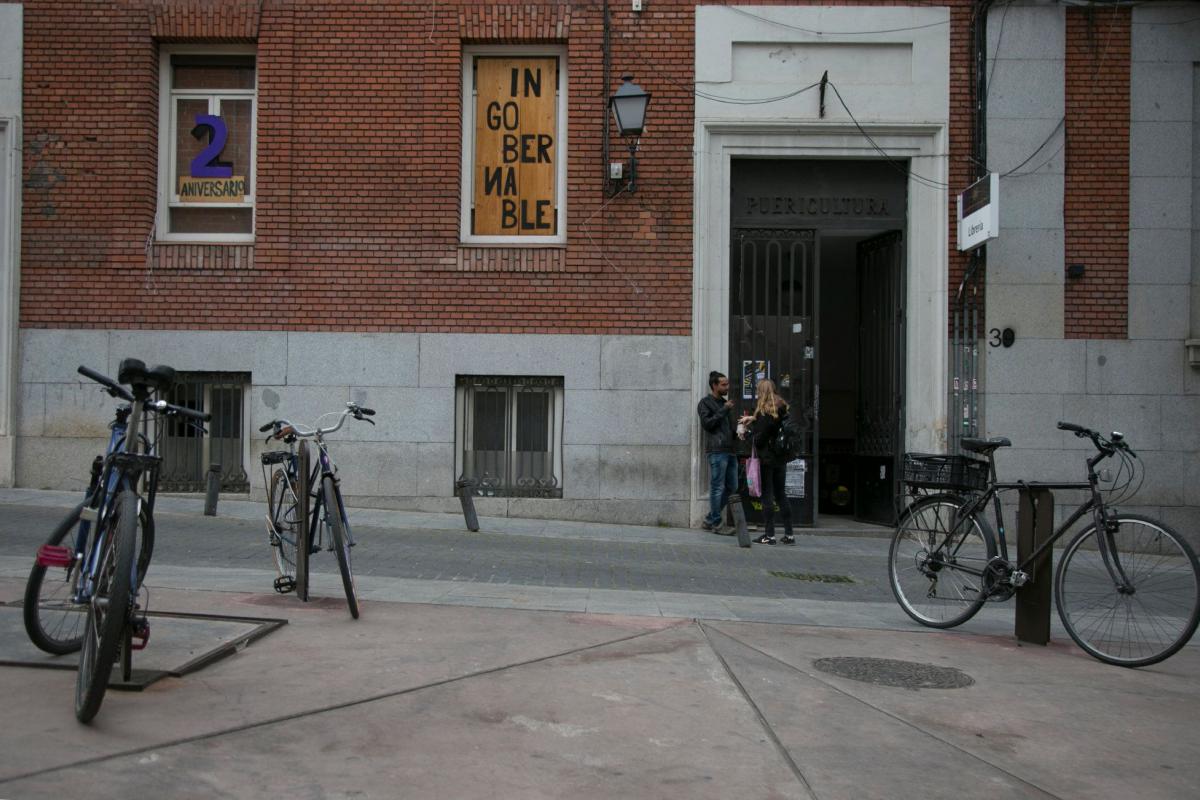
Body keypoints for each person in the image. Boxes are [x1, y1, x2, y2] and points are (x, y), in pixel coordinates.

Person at [739, 379, 795, 546]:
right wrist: (753, 418)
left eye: (758, 390)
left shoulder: (765, 412)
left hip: (766, 459)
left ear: (760, 391)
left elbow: (760, 439)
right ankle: (789, 534)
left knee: (767, 496)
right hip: (780, 458)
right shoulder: (782, 408)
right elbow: (773, 428)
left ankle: (769, 535)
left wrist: (746, 434)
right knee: (781, 494)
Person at [697, 370, 737, 534]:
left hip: (730, 450)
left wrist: (740, 431)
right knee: (717, 487)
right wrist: (724, 410)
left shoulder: (725, 403)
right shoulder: (705, 403)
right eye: (723, 384)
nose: (727, 387)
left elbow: (728, 428)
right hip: (717, 450)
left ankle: (710, 519)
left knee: (732, 486)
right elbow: (707, 424)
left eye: (727, 384)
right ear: (714, 385)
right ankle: (716, 523)